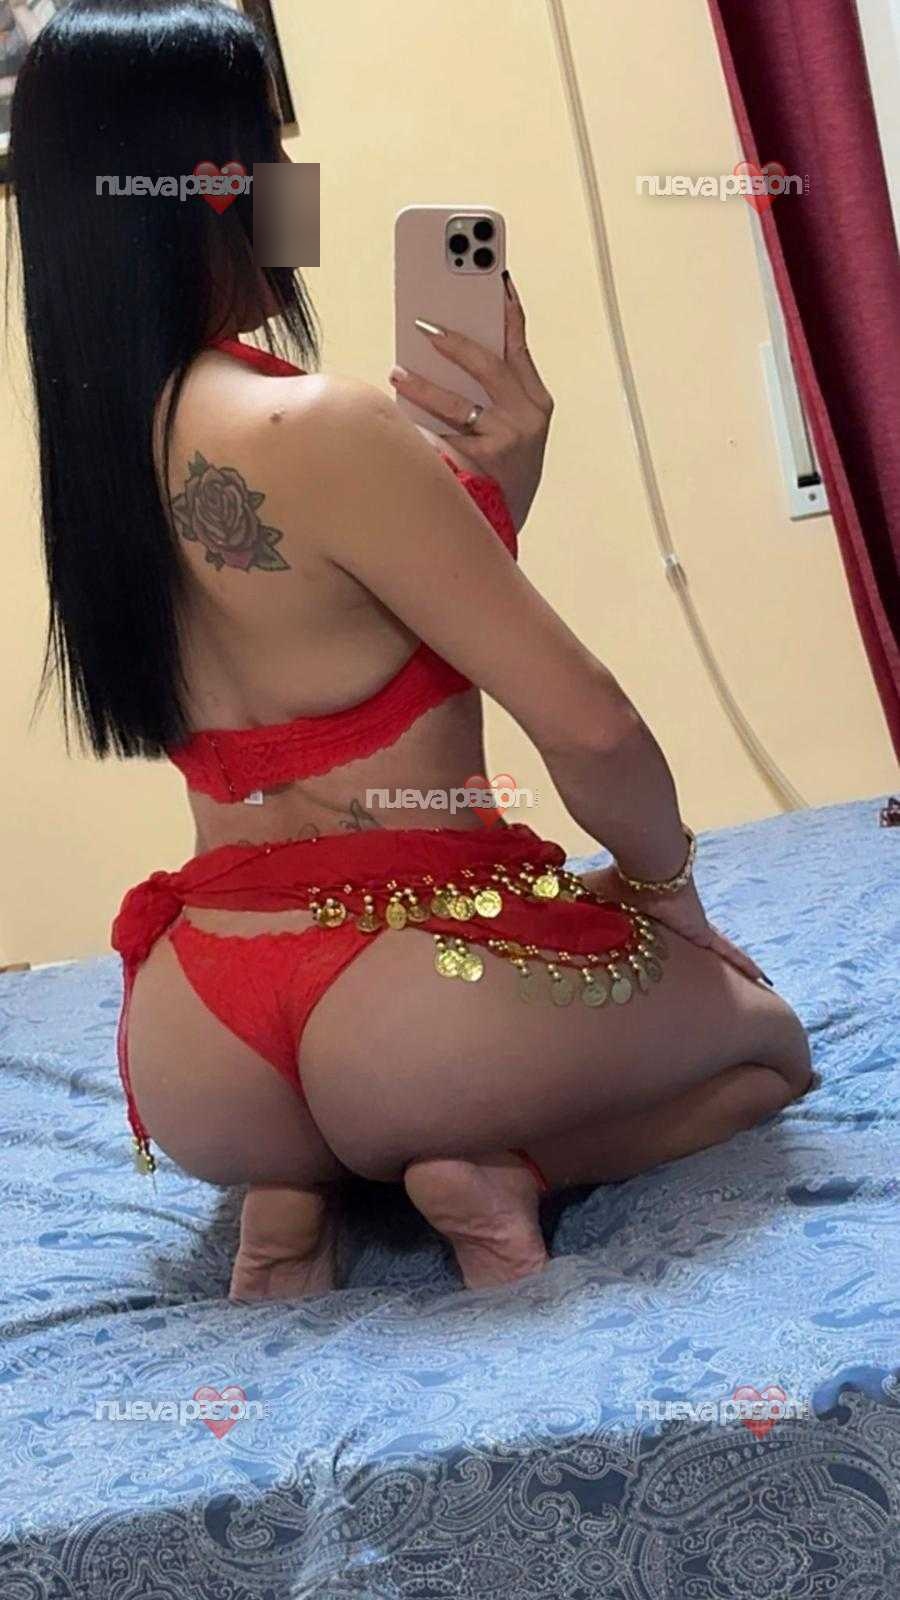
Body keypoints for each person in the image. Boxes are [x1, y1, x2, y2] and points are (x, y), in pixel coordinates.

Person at [9, 0, 814, 1302]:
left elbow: (341, 643)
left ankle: (301, 1187)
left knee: (352, 1106)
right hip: (412, 996)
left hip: (198, 1045)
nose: (297, 182)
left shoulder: (98, 469)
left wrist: (498, 496)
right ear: (217, 182)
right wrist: (666, 893)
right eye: (273, 148)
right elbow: (592, 723)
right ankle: (502, 1169)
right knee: (770, 1049)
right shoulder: (321, 426)